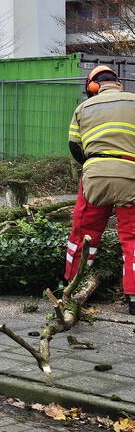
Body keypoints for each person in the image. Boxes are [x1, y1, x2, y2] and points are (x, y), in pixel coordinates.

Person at [66, 65, 135, 314]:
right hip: (132, 174)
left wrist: (91, 165)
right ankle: (134, 297)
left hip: (96, 176)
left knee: (84, 232)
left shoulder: (84, 108)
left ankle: (73, 286)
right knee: (133, 238)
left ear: (93, 86)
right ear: (119, 84)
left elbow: (74, 146)